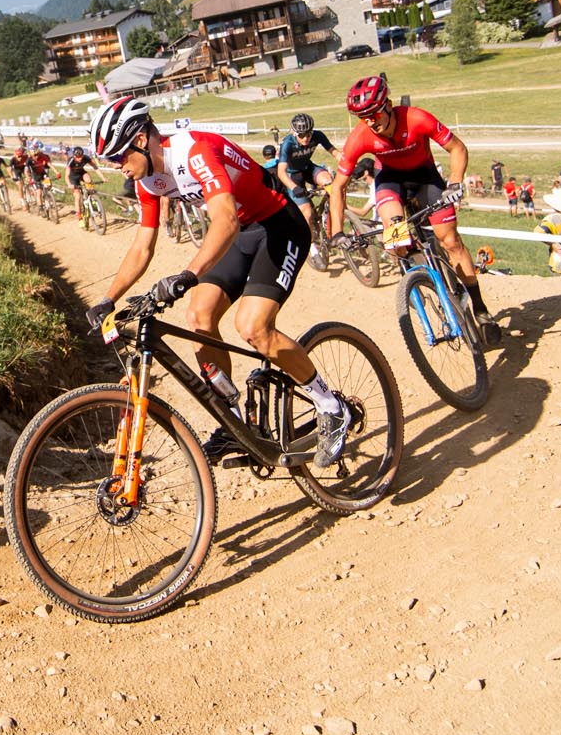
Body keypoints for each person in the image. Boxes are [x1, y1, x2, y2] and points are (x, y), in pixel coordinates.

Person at [85, 96, 349, 468]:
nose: (118, 167)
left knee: (253, 327)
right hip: (242, 234)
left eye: (118, 156)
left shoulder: (194, 151)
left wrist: (187, 275)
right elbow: (143, 245)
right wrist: (108, 298)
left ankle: (331, 407)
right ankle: (234, 422)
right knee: (199, 316)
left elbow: (225, 220)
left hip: (279, 224)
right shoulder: (148, 180)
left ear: (141, 140)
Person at [333, 73, 500, 345]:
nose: (370, 122)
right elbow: (338, 187)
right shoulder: (360, 136)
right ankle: (412, 270)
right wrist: (337, 232)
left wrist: (455, 182)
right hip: (390, 182)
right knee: (396, 240)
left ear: (388, 105)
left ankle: (480, 309)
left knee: (450, 241)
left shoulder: (417, 118)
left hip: (425, 178)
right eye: (363, 117)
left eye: (374, 114)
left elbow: (457, 148)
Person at [276, 112, 339, 265]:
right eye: (301, 135)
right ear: (294, 133)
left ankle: (328, 219)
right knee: (307, 212)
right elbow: (281, 172)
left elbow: (335, 153)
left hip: (308, 168)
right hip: (292, 175)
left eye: (308, 134)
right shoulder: (288, 143)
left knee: (330, 182)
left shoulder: (318, 135)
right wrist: (293, 187)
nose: (305, 138)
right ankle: (311, 247)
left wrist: (349, 166)